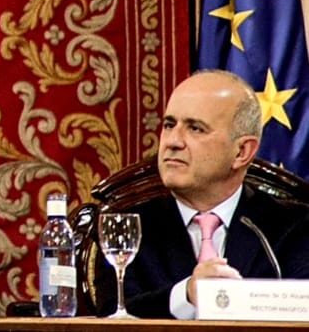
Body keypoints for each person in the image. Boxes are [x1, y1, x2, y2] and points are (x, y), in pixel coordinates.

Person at [119, 69, 309, 318]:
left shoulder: (294, 227)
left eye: (195, 128)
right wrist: (186, 295)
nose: (172, 141)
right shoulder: (127, 227)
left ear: (242, 151)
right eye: (169, 125)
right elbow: (112, 312)